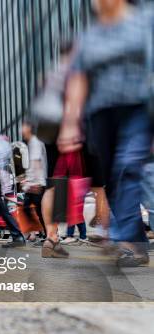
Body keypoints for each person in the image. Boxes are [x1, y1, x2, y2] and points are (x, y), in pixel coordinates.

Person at [58, 0, 153, 266]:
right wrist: (70, 121)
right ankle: (135, 242)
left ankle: (123, 239)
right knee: (114, 177)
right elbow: (79, 78)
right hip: (101, 114)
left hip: (138, 109)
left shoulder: (145, 18)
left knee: (128, 166)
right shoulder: (91, 36)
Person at [20, 118, 47, 238]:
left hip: (37, 183)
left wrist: (32, 182)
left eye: (23, 127)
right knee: (29, 208)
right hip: (34, 183)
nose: (21, 130)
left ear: (29, 129)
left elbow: (36, 163)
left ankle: (47, 234)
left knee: (39, 211)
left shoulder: (35, 142)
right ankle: (41, 232)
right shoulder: (31, 142)